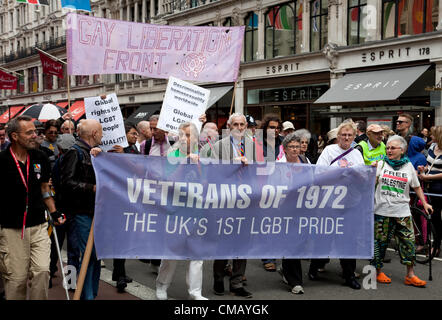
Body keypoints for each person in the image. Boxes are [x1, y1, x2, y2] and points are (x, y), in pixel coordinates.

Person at [0, 115, 65, 300]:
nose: (34, 135)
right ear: (14, 136)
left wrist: (54, 211)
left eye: (35, 132)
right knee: (16, 280)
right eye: (29, 132)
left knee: (42, 272)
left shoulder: (40, 157)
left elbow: (45, 188)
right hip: (12, 229)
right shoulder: (2, 160)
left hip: (38, 225)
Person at [308, 121, 364, 290]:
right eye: (343, 135)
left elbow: (362, 177)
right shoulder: (329, 151)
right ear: (338, 136)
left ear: (354, 137)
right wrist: (341, 175)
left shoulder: (356, 154)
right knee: (324, 237)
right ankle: (314, 267)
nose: (346, 138)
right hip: (329, 203)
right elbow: (319, 173)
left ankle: (349, 275)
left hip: (351, 203)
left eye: (349, 135)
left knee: (349, 240)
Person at [155, 122, 208, 300]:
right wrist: (184, 163)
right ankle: (162, 285)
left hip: (197, 210)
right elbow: (169, 181)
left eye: (188, 135)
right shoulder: (172, 155)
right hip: (175, 211)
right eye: (182, 135)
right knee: (171, 253)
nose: (185, 138)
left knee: (197, 254)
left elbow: (208, 182)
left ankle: (195, 292)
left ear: (196, 137)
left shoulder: (204, 156)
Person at [373, 135, 432, 286]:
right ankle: (378, 272)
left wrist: (425, 204)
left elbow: (417, 186)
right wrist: (371, 171)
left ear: (402, 150)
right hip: (382, 211)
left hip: (403, 212)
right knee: (380, 243)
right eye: (387, 148)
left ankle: (410, 275)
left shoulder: (408, 166)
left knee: (408, 243)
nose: (389, 150)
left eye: (393, 148)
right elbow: (370, 183)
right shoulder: (380, 164)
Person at [211, 113, 256, 298]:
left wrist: (250, 165)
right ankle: (218, 278)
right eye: (235, 124)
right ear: (229, 127)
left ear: (246, 126)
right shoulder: (219, 146)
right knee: (224, 241)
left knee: (242, 243)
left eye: (242, 124)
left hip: (245, 201)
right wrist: (231, 164)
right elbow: (214, 171)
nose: (239, 127)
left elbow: (260, 171)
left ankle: (237, 282)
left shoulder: (252, 146)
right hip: (226, 200)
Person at [60, 119, 103, 300]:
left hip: (95, 212)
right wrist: (91, 187)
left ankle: (91, 293)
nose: (102, 135)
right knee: (87, 255)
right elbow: (66, 183)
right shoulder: (74, 152)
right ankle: (87, 295)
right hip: (81, 213)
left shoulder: (94, 153)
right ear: (94, 134)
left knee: (95, 255)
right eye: (100, 132)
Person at [109, 123, 139, 292]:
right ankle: (120, 276)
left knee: (126, 237)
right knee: (119, 236)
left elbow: (140, 168)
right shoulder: (113, 149)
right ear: (124, 134)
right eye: (133, 134)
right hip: (117, 198)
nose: (136, 137)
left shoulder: (133, 149)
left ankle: (119, 271)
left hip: (131, 198)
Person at [277, 133, 308, 294]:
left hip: (303, 207)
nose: (295, 149)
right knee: (292, 242)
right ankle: (295, 281)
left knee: (300, 241)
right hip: (285, 208)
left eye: (298, 146)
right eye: (292, 147)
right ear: (285, 149)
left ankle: (286, 269)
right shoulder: (279, 165)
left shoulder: (305, 161)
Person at [418, 126, 442, 258]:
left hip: (439, 188)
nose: (431, 137)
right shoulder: (433, 147)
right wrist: (424, 169)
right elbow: (429, 164)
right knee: (432, 217)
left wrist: (429, 177)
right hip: (428, 188)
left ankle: (436, 245)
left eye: (433, 135)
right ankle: (433, 243)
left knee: (437, 217)